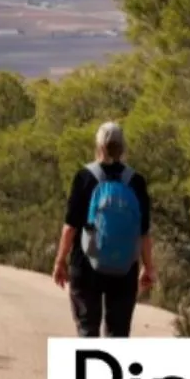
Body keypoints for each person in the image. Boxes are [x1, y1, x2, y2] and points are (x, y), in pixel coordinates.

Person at [52, 121, 155, 338]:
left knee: (87, 330)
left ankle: (88, 370)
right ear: (123, 148)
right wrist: (148, 266)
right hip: (125, 267)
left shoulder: (84, 178)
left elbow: (70, 227)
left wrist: (60, 261)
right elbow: (144, 232)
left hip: (86, 264)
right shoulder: (136, 181)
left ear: (98, 146)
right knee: (118, 334)